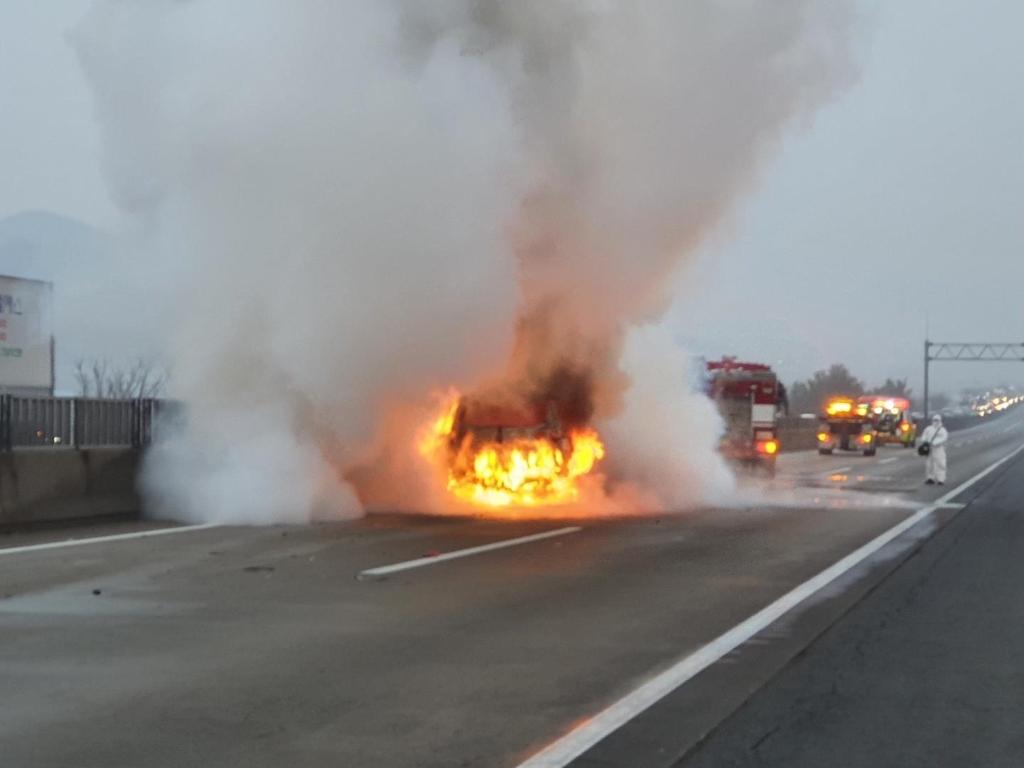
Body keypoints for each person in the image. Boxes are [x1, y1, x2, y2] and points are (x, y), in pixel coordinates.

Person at [921, 414, 949, 485]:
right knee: (929, 464)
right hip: (930, 449)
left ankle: (941, 479)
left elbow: (943, 438)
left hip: (939, 449)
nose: (936, 422)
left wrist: (934, 443)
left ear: (940, 420)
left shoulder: (942, 430)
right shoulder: (928, 429)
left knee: (941, 464)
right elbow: (924, 436)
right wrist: (925, 441)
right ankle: (930, 478)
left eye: (937, 420)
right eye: (935, 420)